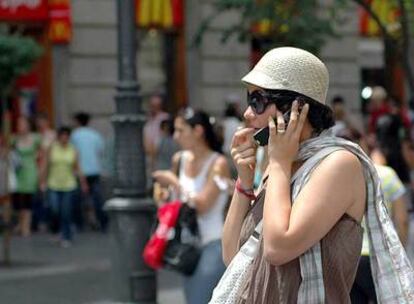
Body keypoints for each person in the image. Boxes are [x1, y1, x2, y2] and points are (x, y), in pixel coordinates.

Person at [218, 47, 413, 303]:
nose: (247, 113)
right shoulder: (283, 161)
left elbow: (278, 248)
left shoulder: (338, 164)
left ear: (297, 109)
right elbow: (233, 257)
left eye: (259, 101)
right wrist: (244, 182)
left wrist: (278, 166)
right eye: (249, 99)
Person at [152, 109, 231, 304]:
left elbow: (203, 205)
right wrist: (163, 194)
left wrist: (174, 183)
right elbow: (171, 201)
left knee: (200, 299)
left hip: (213, 243)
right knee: (192, 297)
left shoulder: (218, 163)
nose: (175, 136)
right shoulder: (179, 159)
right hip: (186, 243)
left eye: (180, 130)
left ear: (198, 130)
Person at [41, 127, 88, 247]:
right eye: (62, 135)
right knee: (55, 208)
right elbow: (46, 165)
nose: (64, 138)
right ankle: (58, 230)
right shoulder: (52, 148)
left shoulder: (73, 149)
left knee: (66, 212)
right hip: (53, 184)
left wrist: (83, 182)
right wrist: (42, 181)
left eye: (66, 135)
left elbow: (78, 167)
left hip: (69, 185)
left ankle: (66, 236)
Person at [71, 112, 107, 232]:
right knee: (97, 199)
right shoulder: (95, 135)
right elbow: (101, 151)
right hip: (94, 170)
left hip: (80, 171)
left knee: (78, 199)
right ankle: (102, 222)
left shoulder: (75, 135)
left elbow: (72, 153)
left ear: (77, 122)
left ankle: (79, 224)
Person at [11, 116, 41, 237]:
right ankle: (20, 223)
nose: (21, 126)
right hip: (17, 170)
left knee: (27, 197)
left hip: (30, 169)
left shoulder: (36, 138)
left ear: (28, 125)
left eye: (23, 123)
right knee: (17, 198)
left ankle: (26, 226)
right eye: (19, 124)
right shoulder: (13, 138)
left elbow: (43, 154)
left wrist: (41, 173)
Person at [143, 93, 169, 174]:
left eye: (156, 105)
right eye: (152, 105)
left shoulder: (165, 118)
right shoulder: (148, 119)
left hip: (161, 156)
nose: (153, 108)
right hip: (149, 157)